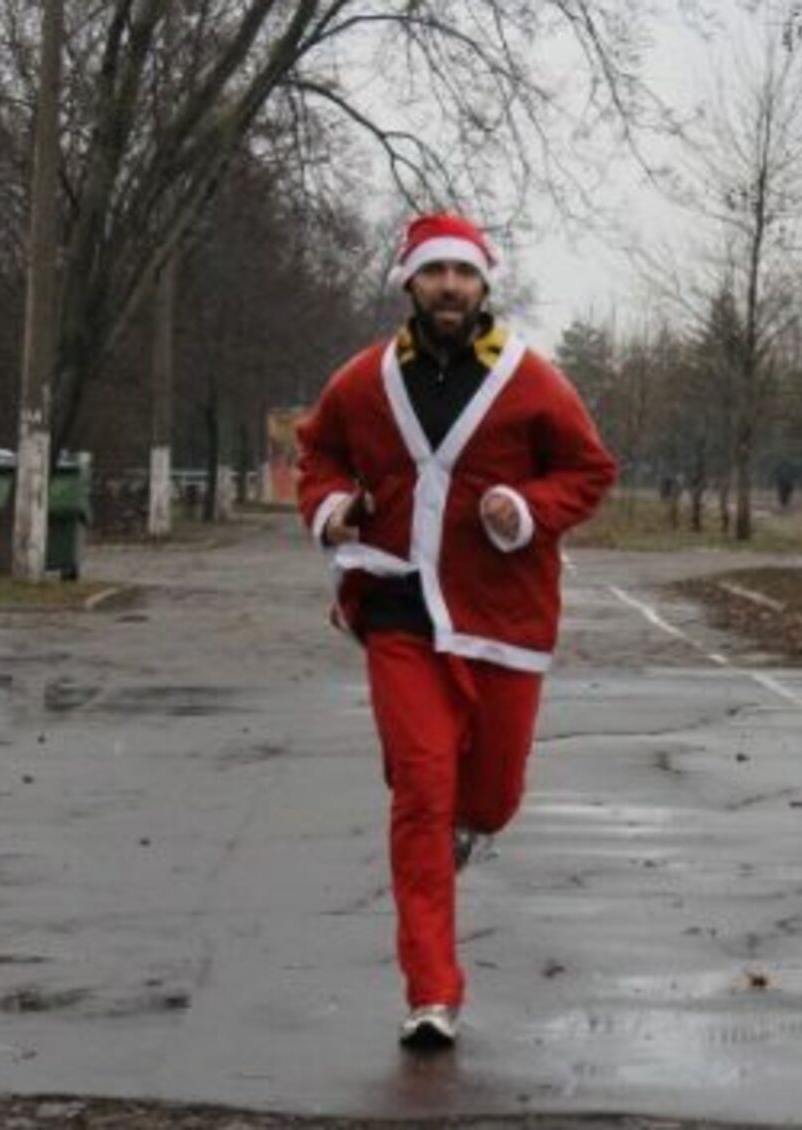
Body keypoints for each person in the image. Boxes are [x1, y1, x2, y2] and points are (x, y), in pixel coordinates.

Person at [295, 212, 617, 1051]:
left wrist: (527, 509)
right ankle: (431, 992)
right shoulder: (363, 381)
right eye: (435, 273)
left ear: (483, 287)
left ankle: (473, 826)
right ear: (409, 282)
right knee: (422, 790)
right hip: (399, 610)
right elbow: (318, 452)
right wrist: (332, 512)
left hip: (501, 614)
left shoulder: (531, 380)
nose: (449, 288)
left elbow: (588, 470)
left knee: (493, 794)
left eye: (464, 276)